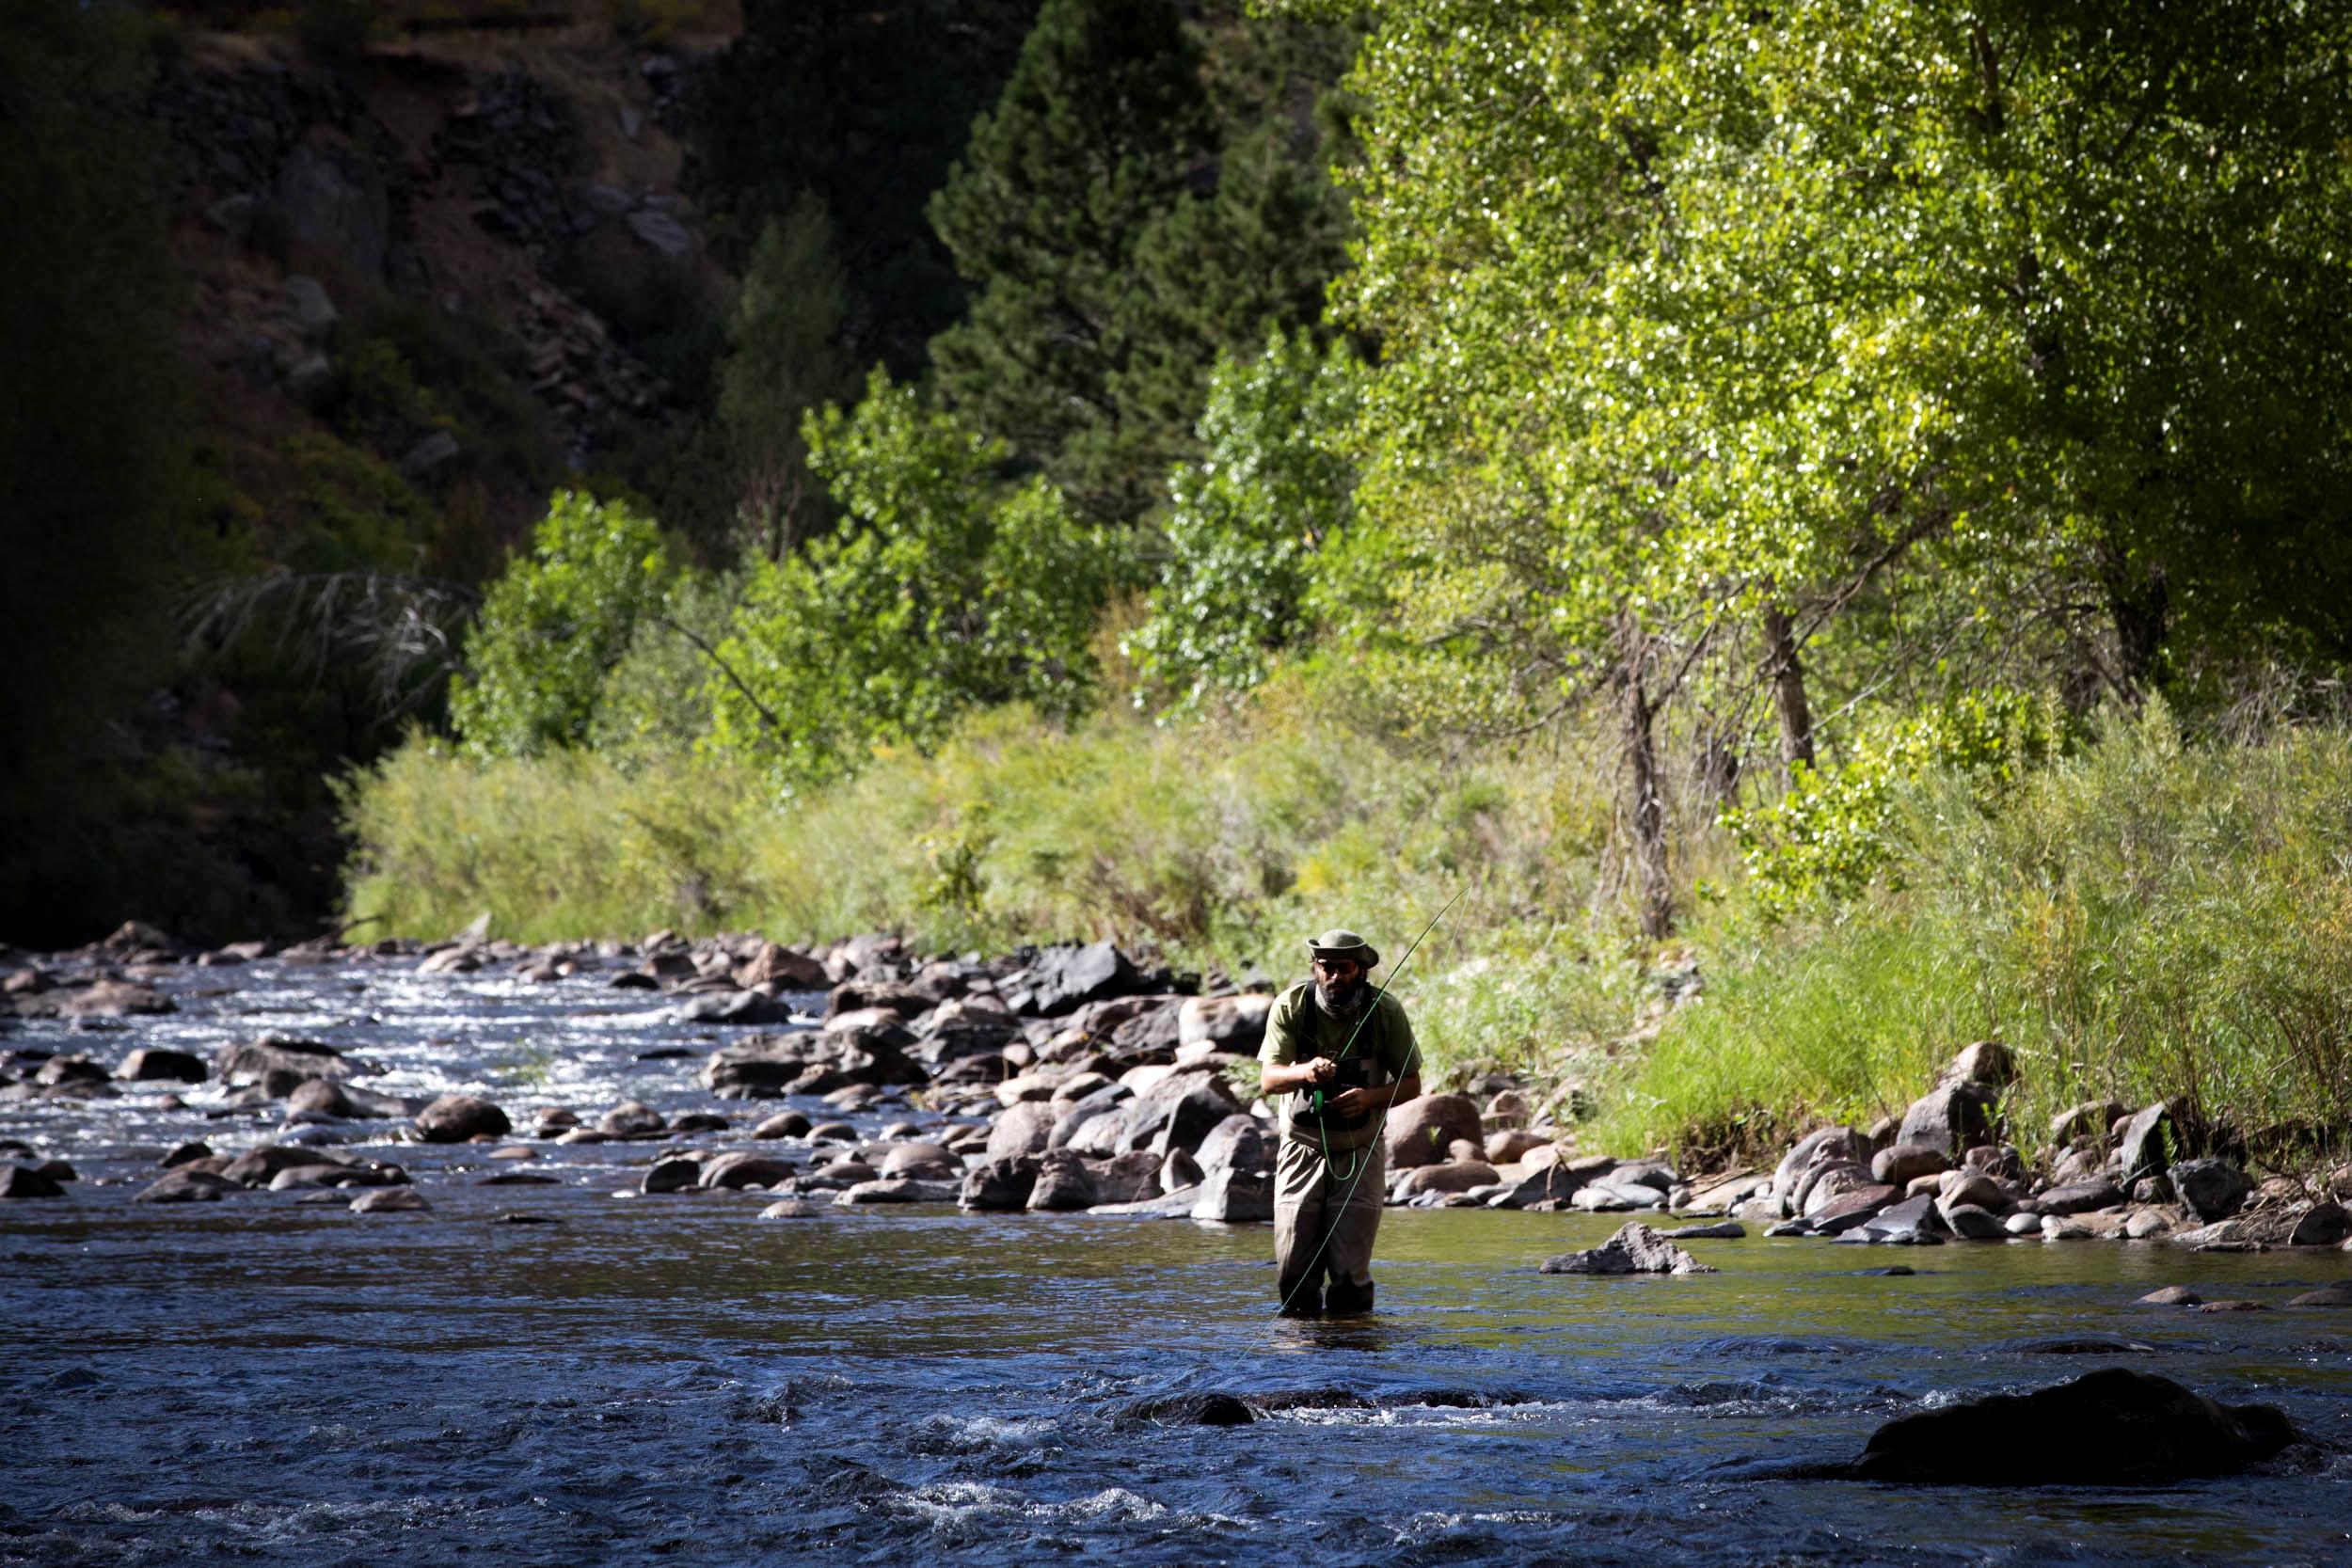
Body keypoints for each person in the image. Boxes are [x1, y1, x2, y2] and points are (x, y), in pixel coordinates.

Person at [1256, 927, 1422, 1316]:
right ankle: (1301, 1365)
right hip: (1302, 1150)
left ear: (1361, 970)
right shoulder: (1291, 1006)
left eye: (1343, 967)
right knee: (1294, 1275)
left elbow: (1412, 1084)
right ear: (1315, 968)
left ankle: (1354, 1357)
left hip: (1360, 1152)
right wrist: (1305, 1072)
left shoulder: (1386, 1012)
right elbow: (1269, 1080)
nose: (1334, 976)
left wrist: (1370, 1098)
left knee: (1349, 1276)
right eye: (1326, 967)